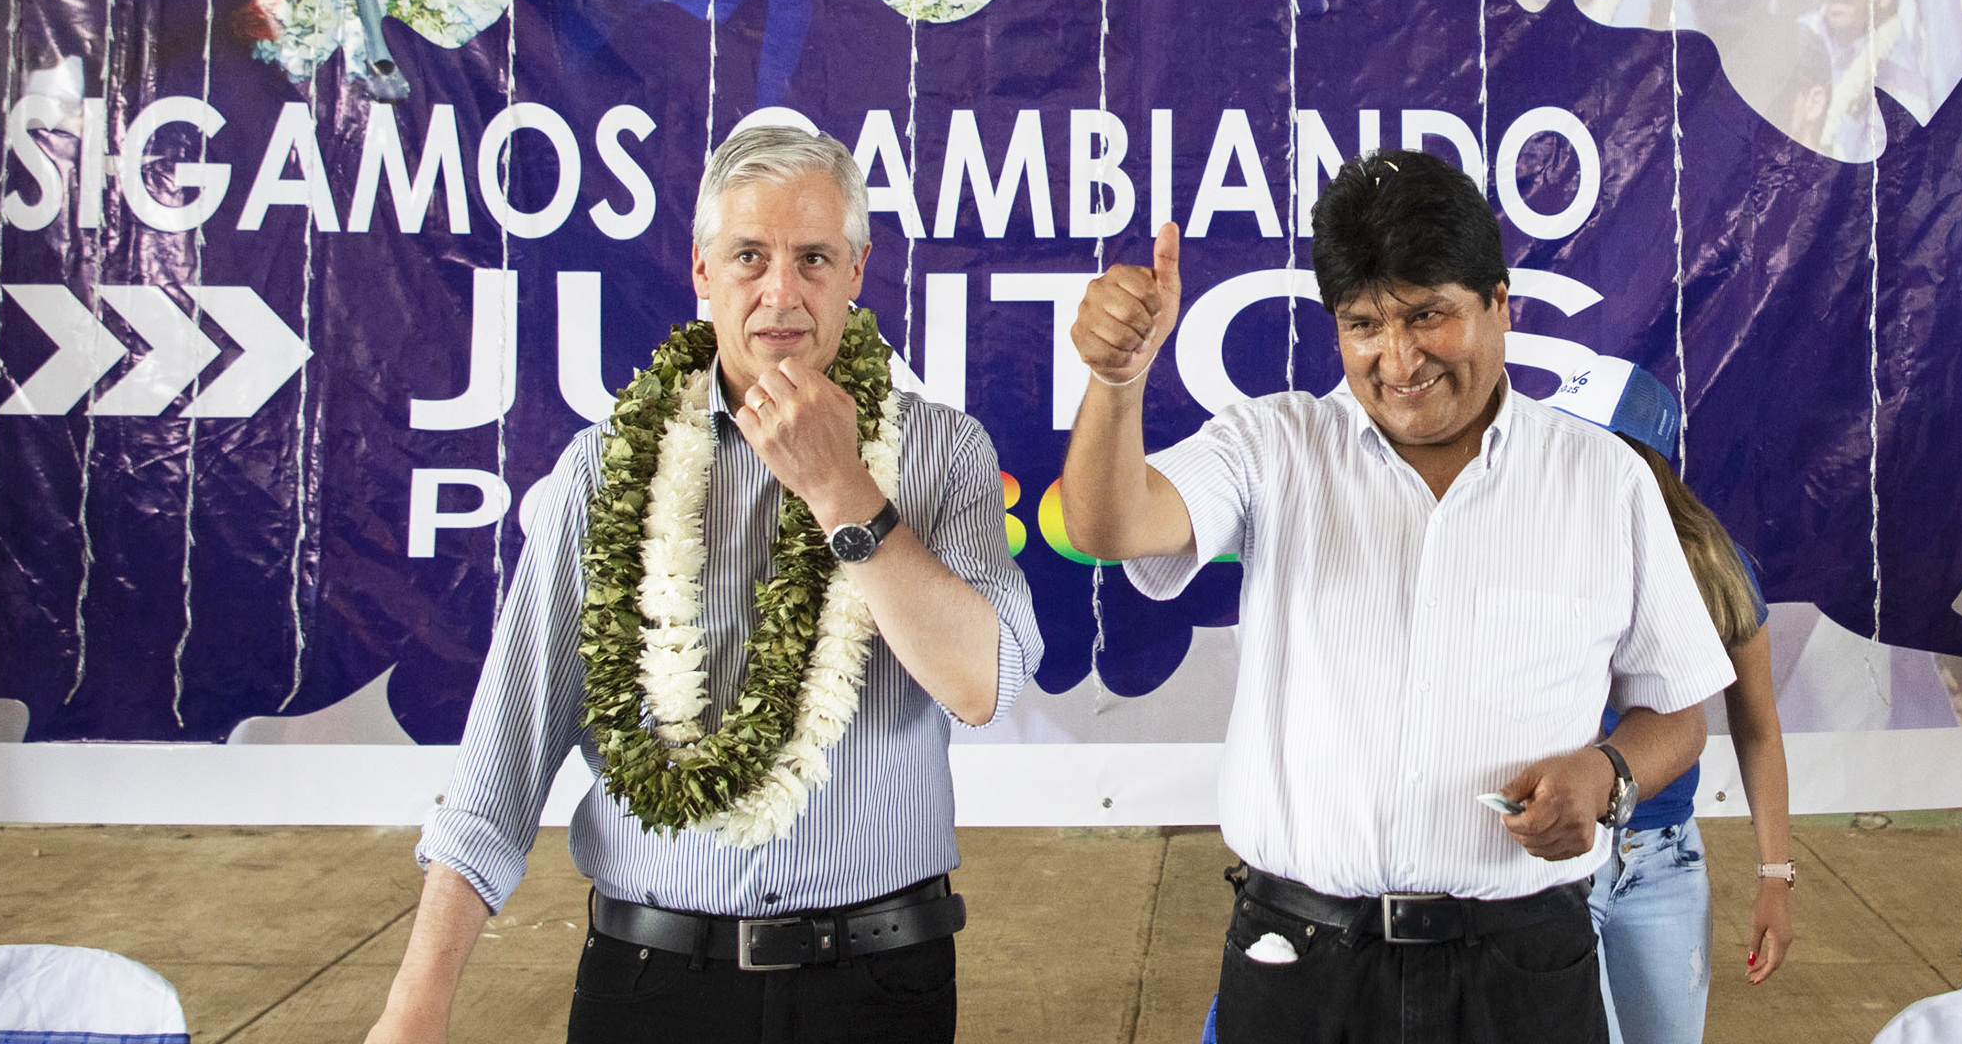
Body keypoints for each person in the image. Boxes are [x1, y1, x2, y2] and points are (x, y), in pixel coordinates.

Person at [364, 125, 1042, 1044]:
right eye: (749, 256)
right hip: (652, 982)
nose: (780, 293)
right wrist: (415, 1008)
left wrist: (842, 489)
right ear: (701, 270)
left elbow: (984, 687)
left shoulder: (940, 453)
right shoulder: (604, 470)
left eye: (813, 259)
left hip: (878, 982)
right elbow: (502, 763)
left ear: (857, 271)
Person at [1059, 148, 1736, 1043]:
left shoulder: (1603, 479)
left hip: (1525, 963)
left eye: (1428, 315)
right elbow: (1111, 526)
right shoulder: (1274, 446)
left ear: (1499, 303)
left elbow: (1677, 710)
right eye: (1365, 324)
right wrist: (1116, 383)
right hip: (1299, 961)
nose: (1399, 357)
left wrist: (1609, 773)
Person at [1543, 362, 1796, 1042]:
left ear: (1642, 464)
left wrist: (1776, 875)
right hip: (1557, 866)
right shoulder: (1522, 556)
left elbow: (1759, 730)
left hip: (1667, 865)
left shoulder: (1713, 566)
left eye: (1586, 445)